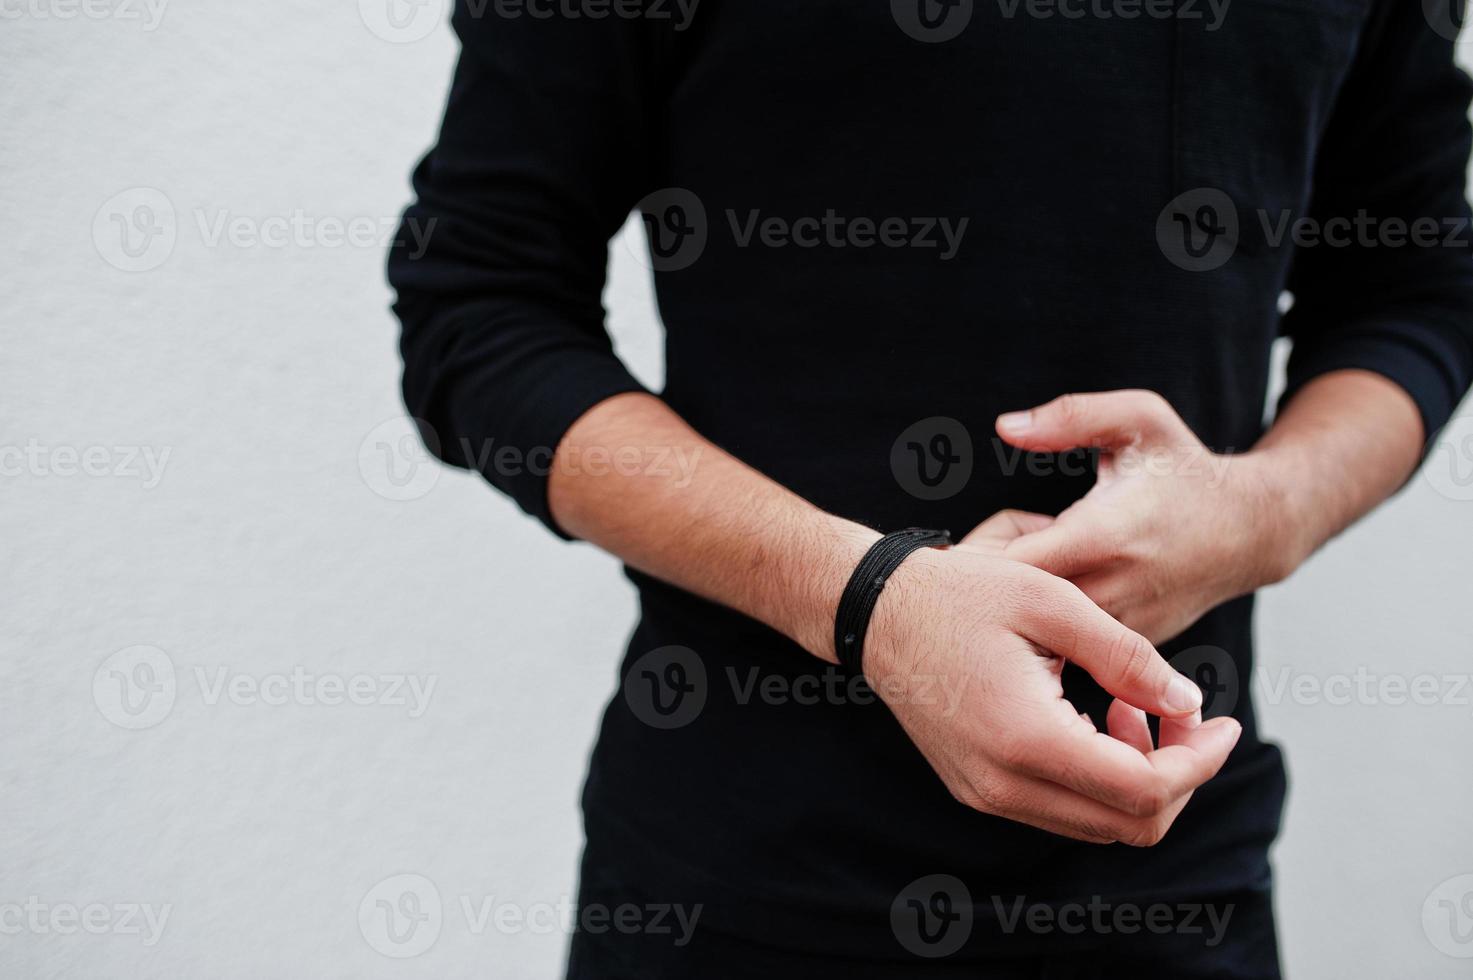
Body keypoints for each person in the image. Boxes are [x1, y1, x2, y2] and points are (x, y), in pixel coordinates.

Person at [388, 1, 1473, 975]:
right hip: (738, 890)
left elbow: (1415, 285)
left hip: (1184, 878)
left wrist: (1268, 511)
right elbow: (482, 303)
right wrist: (869, 600)